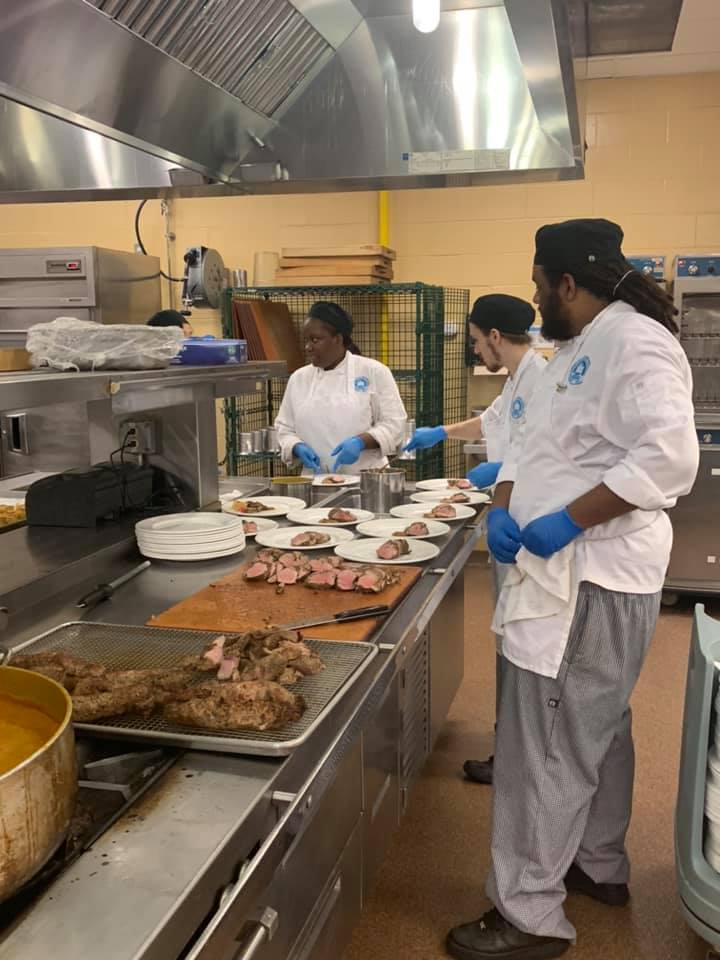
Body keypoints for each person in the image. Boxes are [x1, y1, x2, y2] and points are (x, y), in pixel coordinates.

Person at [446, 219, 699, 960]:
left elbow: (668, 458)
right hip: (559, 578)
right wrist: (502, 506)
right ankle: (596, 863)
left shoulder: (635, 341)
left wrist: (564, 520)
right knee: (596, 729)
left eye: (536, 282)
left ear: (565, 282)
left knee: (547, 745)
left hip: (587, 578)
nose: (532, 299)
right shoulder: (577, 350)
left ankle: (527, 914)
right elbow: (526, 442)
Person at [405, 293, 546, 785]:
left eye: (473, 340)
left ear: (494, 336)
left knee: (524, 646)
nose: (473, 350)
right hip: (509, 515)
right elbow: (490, 424)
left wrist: (501, 477)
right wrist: (439, 433)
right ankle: (509, 747)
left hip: (525, 526)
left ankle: (518, 757)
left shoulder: (541, 380)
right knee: (510, 639)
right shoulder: (516, 379)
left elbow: (535, 452)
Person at [275, 301, 407, 474]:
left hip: (366, 480)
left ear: (338, 339)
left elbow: (395, 424)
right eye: (306, 340)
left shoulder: (373, 372)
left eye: (315, 340)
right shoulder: (299, 379)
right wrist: (296, 446)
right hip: (315, 480)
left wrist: (361, 442)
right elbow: (284, 428)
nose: (308, 347)